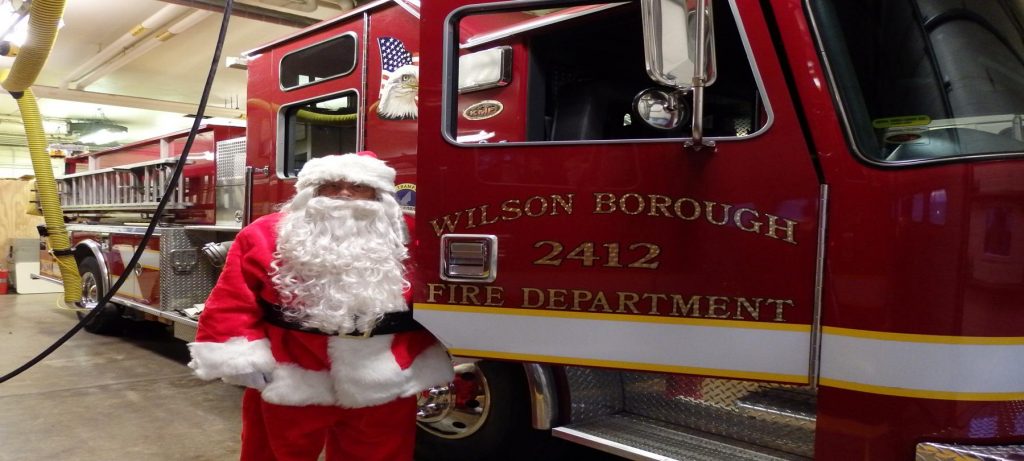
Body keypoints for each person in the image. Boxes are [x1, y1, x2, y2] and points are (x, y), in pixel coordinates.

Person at [187, 152, 454, 461]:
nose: (343, 193)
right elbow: (233, 300)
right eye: (331, 185)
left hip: (386, 373)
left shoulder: (412, 234)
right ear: (310, 192)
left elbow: (443, 294)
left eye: (357, 186)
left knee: (382, 455)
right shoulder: (263, 233)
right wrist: (240, 359)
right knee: (272, 455)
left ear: (377, 193)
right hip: (291, 372)